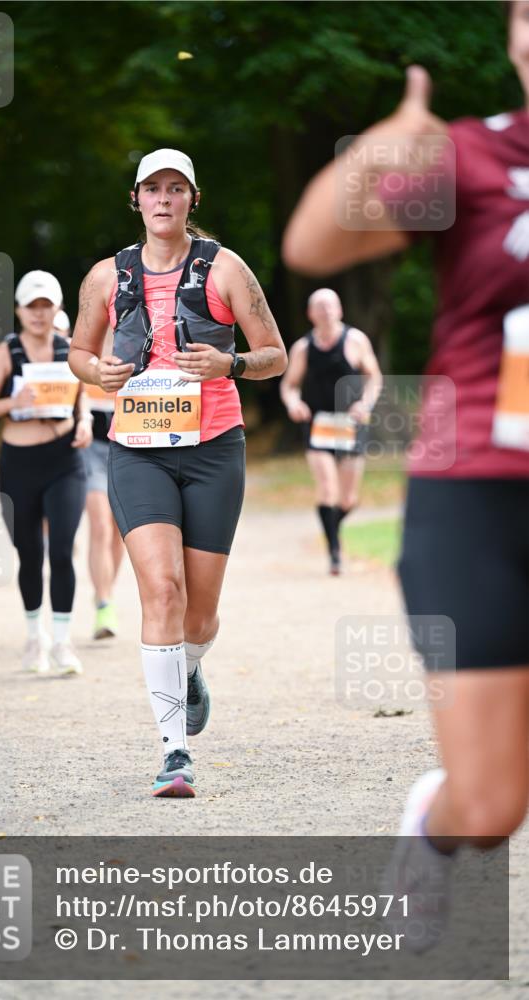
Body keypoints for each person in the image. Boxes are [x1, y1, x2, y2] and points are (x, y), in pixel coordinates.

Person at [283, 0, 529, 950]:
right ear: (513, 37)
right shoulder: (470, 159)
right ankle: (432, 828)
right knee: (489, 805)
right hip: (478, 493)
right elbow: (314, 247)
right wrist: (379, 147)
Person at [69, 148, 287, 797]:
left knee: (198, 615)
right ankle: (173, 753)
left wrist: (233, 366)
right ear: (134, 199)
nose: (163, 199)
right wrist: (95, 372)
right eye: (151, 189)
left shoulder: (225, 269)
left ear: (194, 198)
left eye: (176, 189)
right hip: (136, 449)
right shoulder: (105, 278)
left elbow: (275, 353)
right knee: (160, 592)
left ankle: (189, 664)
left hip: (214, 447)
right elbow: (79, 351)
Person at [0, 270, 93, 676]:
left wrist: (84, 423)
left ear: (57, 309)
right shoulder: (6, 352)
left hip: (65, 462)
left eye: (46, 306)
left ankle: (62, 642)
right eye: (31, 307)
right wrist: (13, 401)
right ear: (19, 311)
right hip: (19, 463)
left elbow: (84, 400)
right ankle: (34, 638)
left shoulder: (70, 350)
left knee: (62, 549)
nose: (39, 314)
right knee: (29, 553)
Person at [280, 288, 382, 574]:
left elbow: (374, 377)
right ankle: (335, 554)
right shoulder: (303, 347)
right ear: (310, 314)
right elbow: (289, 385)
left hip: (351, 424)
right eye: (320, 307)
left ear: (340, 310)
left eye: (330, 306)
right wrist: (293, 402)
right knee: (327, 489)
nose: (325, 311)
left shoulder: (356, 340)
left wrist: (366, 403)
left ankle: (331, 527)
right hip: (319, 425)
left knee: (347, 498)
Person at [82, 329, 125, 639]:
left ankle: (106, 589)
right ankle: (104, 604)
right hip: (92, 450)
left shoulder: (141, 344)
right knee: (99, 526)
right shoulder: (83, 350)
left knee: (120, 531)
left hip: (128, 449)